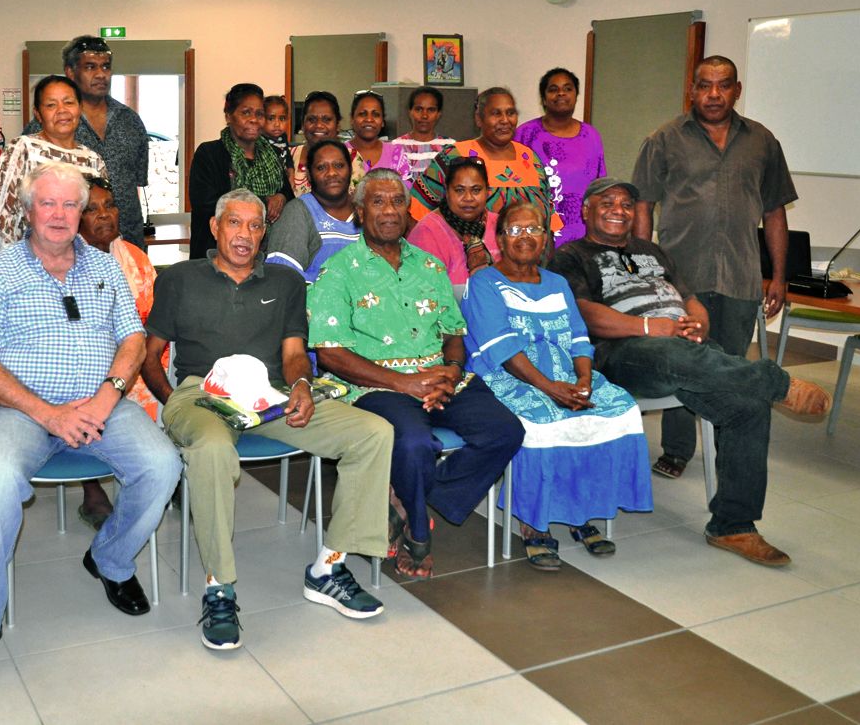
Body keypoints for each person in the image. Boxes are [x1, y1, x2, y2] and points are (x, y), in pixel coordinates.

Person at [0, 162, 181, 680]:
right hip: (22, 412)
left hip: (102, 404)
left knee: (163, 464)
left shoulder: (105, 268)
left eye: (69, 204)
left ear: (81, 211)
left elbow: (133, 341)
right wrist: (49, 415)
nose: (58, 215)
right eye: (47, 204)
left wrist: (105, 399)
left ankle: (111, 560)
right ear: (28, 211)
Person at [143, 189, 394, 651]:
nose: (244, 235)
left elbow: (295, 354)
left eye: (255, 226)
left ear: (264, 234)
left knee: (373, 433)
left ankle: (329, 567)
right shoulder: (179, 278)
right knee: (214, 449)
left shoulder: (284, 282)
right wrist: (173, 401)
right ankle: (220, 586)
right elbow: (150, 355)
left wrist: (301, 386)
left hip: (269, 396)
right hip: (202, 392)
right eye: (234, 224)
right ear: (215, 228)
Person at [548, 178, 830, 567]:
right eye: (607, 202)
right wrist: (650, 328)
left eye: (627, 203)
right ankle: (776, 382)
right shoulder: (570, 256)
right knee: (671, 354)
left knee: (747, 407)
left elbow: (690, 298)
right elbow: (585, 315)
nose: (619, 209)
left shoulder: (652, 251)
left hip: (684, 349)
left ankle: (733, 526)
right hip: (623, 353)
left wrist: (698, 323)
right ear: (586, 210)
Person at [309, 169, 523, 578]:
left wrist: (451, 370)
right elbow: (330, 355)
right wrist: (404, 383)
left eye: (397, 202)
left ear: (408, 210)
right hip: (375, 384)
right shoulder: (338, 271)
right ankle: (416, 527)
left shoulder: (430, 266)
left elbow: (453, 333)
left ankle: (414, 498)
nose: (389, 211)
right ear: (358, 212)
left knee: (505, 431)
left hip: (441, 378)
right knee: (413, 444)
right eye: (377, 202)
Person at [631, 56, 798, 480]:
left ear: (736, 90)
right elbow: (643, 205)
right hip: (680, 277)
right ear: (692, 89)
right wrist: (648, 270)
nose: (713, 94)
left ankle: (732, 443)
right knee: (682, 360)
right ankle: (678, 448)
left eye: (723, 86)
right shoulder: (664, 139)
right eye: (705, 85)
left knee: (732, 364)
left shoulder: (762, 141)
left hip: (740, 276)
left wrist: (778, 275)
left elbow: (775, 212)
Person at [462, 200, 652, 571]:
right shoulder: (484, 281)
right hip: (508, 376)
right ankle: (533, 525)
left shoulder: (557, 283)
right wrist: (551, 389)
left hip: (564, 373)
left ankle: (581, 511)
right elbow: (502, 347)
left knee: (618, 409)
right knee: (544, 421)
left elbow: (580, 338)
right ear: (500, 237)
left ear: (546, 238)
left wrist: (583, 379)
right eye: (515, 230)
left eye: (534, 229)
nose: (525, 237)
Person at [73, 175, 164, 531]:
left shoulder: (136, 259)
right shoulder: (64, 261)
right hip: (88, 369)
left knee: (167, 382)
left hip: (138, 365)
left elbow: (155, 321)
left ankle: (155, 474)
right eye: (92, 209)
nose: (105, 215)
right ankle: (91, 484)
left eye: (109, 206)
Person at [25, 35, 149, 248]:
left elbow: (137, 184)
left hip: (128, 242)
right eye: (90, 67)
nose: (101, 74)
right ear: (71, 72)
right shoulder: (47, 127)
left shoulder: (130, 121)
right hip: (68, 248)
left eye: (106, 67)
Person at [409, 87, 562, 238]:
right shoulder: (455, 156)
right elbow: (416, 213)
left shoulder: (530, 158)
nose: (505, 120)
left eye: (510, 113)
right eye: (496, 113)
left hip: (532, 260)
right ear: (478, 119)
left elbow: (549, 224)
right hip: (467, 261)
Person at [0, 74, 108, 260]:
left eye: (68, 102)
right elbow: (3, 220)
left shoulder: (93, 160)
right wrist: (8, 270)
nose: (62, 111)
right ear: (38, 114)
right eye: (51, 105)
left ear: (80, 108)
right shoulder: (23, 149)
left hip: (80, 264)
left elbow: (99, 217)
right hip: (28, 263)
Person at [187, 82, 292, 258]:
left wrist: (281, 197)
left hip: (267, 256)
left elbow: (287, 193)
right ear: (228, 116)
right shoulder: (210, 153)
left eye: (259, 114)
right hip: (215, 257)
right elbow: (206, 204)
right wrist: (264, 204)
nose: (254, 119)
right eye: (246, 113)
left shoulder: (273, 154)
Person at [513, 68, 606, 244]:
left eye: (568, 88)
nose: (561, 93)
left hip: (581, 234)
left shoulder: (591, 136)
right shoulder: (525, 134)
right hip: (535, 231)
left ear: (576, 95)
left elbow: (599, 188)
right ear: (543, 98)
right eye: (553, 89)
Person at [265, 139, 359, 282]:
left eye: (339, 165)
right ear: (309, 175)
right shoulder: (297, 212)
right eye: (321, 167)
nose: (332, 173)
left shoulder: (365, 211)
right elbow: (283, 276)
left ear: (350, 170)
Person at [406, 156, 498, 287]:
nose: (468, 198)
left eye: (476, 190)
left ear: (487, 192)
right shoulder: (427, 232)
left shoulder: (500, 225)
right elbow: (423, 292)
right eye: (459, 190)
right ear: (447, 192)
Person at [346, 90, 411, 189]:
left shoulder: (396, 153)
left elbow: (406, 191)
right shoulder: (341, 153)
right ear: (352, 119)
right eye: (362, 114)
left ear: (383, 121)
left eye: (375, 114)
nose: (369, 119)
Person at [392, 86, 455, 179]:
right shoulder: (396, 146)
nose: (424, 115)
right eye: (418, 109)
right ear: (410, 112)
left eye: (431, 110)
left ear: (438, 114)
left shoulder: (450, 146)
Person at [289, 91, 342, 197]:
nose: (319, 125)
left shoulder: (352, 158)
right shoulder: (288, 156)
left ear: (338, 125)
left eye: (326, 119)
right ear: (303, 125)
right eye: (312, 119)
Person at [262, 94, 295, 170]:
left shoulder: (283, 137)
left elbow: (288, 157)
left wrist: (291, 171)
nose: (277, 124)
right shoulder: (259, 141)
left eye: (282, 118)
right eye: (271, 119)